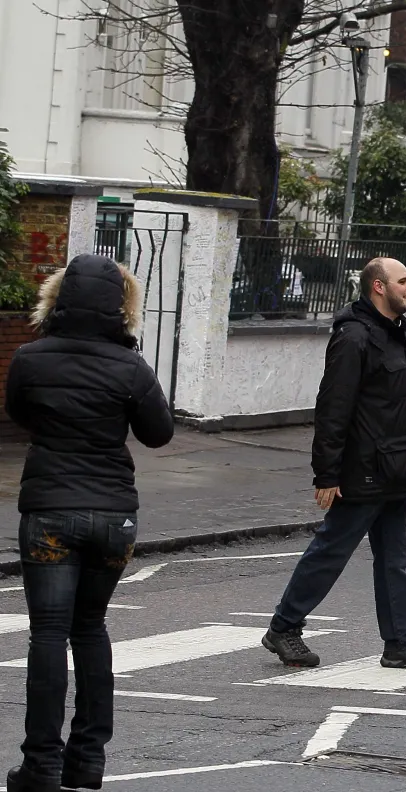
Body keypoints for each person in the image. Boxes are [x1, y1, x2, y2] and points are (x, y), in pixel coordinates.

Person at [263, 257, 406, 672]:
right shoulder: (354, 338)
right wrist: (327, 473)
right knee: (331, 551)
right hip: (363, 469)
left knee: (393, 560)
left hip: (397, 468)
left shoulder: (402, 335)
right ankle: (284, 627)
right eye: (403, 281)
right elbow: (332, 408)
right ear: (378, 288)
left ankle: (402, 643)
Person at [4, 254, 175, 792]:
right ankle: (88, 761)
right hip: (113, 516)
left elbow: (20, 414)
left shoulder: (30, 358)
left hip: (50, 509)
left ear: (56, 299)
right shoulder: (130, 368)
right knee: (91, 629)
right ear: (120, 307)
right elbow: (158, 434)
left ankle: (42, 766)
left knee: (50, 634)